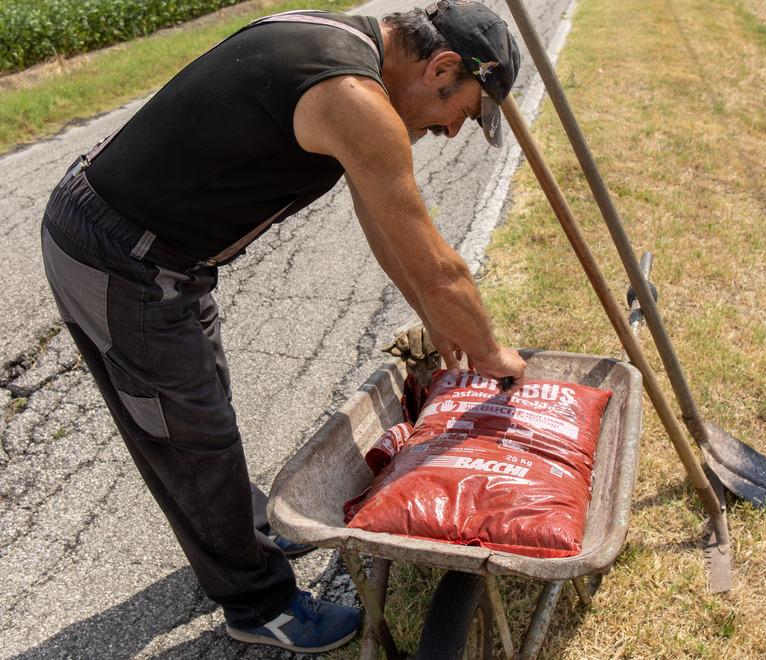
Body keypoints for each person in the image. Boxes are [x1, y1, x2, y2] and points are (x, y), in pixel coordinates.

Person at [40, 0, 527, 653]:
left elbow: (389, 229)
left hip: (166, 258)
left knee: (201, 411)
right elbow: (441, 268)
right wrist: (492, 355)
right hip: (120, 256)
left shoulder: (343, 44)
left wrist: (436, 318)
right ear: (440, 68)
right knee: (189, 436)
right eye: (463, 112)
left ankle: (246, 530)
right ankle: (258, 605)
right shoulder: (354, 100)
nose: (450, 131)